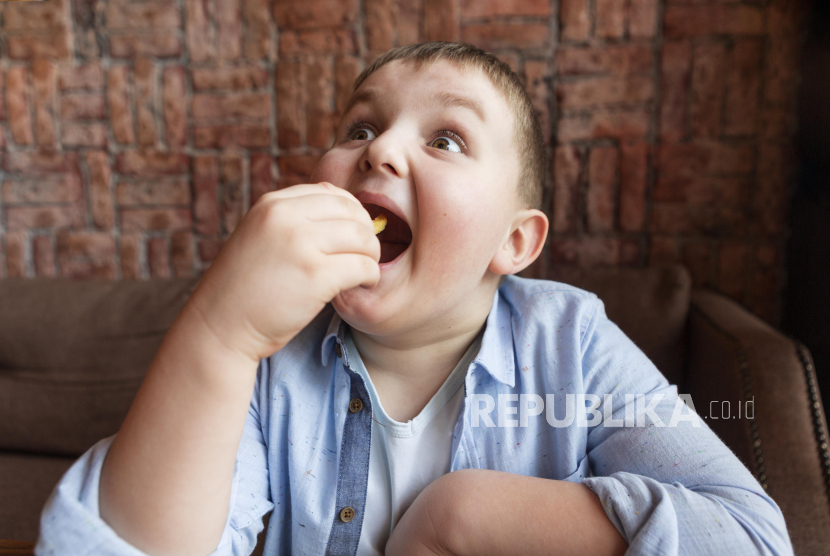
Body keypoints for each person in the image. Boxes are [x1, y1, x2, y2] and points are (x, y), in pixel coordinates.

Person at [36, 42, 794, 556]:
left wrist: (460, 517)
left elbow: (754, 537)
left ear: (515, 244)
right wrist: (217, 333)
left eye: (447, 139)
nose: (380, 149)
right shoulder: (266, 356)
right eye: (360, 125)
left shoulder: (573, 344)